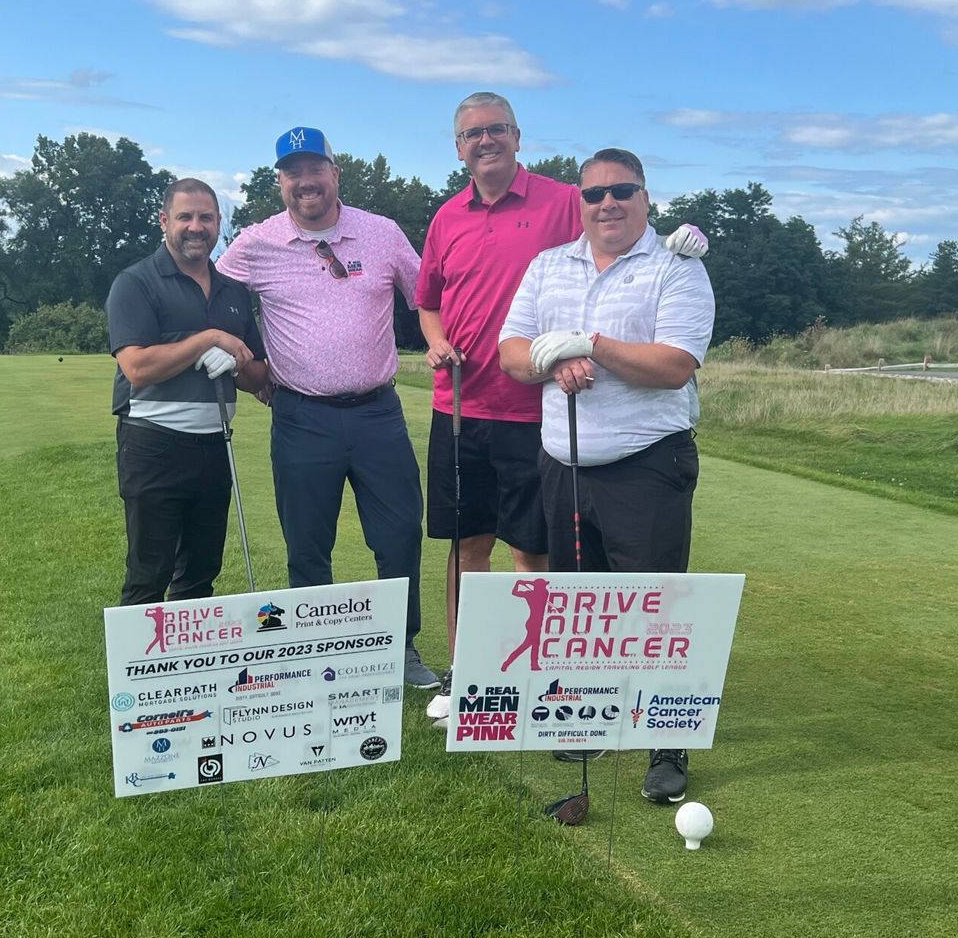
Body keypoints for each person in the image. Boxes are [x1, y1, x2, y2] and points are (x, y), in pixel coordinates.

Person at [418, 92, 707, 697]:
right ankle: (476, 676)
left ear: (517, 136)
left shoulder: (566, 204)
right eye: (473, 133)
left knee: (547, 559)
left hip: (549, 424)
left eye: (498, 129)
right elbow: (439, 305)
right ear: (458, 147)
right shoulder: (459, 222)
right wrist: (448, 341)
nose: (605, 202)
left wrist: (681, 238)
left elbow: (674, 357)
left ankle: (630, 714)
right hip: (473, 409)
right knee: (476, 549)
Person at [498, 148, 716, 804]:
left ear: (645, 198)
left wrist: (589, 344)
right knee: (580, 606)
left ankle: (666, 742)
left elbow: (674, 365)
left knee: (655, 611)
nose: (608, 204)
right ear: (580, 203)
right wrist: (552, 359)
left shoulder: (676, 266)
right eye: (594, 194)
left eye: (622, 191)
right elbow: (511, 352)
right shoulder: (547, 265)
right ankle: (589, 719)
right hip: (563, 462)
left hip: (646, 464)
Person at [217, 126, 440, 689]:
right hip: (301, 416)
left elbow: (429, 296)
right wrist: (252, 365)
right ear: (280, 182)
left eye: (315, 169)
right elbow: (211, 300)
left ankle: (400, 646)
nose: (305, 181)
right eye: (293, 172)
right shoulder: (256, 243)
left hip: (377, 413)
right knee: (308, 542)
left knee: (398, 534)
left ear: (335, 174)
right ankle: (315, 652)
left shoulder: (381, 232)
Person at [106, 178, 268, 607]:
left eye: (206, 218)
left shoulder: (233, 291)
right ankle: (139, 654)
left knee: (200, 574)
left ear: (218, 223)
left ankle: (190, 655)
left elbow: (257, 377)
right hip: (153, 444)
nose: (196, 227)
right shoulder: (135, 282)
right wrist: (208, 339)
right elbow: (137, 368)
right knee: (149, 573)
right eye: (185, 217)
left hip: (215, 445)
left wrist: (237, 362)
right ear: (164, 221)